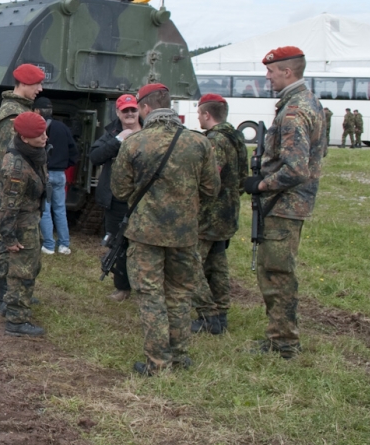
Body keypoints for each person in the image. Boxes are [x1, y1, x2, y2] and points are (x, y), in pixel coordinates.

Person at [111, 83, 218, 376]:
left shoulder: (135, 143)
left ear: (145, 108)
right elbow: (211, 188)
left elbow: (119, 190)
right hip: (184, 233)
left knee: (150, 294)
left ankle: (158, 363)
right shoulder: (198, 143)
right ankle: (179, 355)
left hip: (145, 234)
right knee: (180, 293)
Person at [244, 46, 325, 358]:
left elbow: (296, 169)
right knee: (277, 270)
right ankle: (281, 338)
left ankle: (283, 343)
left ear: (287, 72)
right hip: (289, 203)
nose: (267, 77)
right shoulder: (309, 102)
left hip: (283, 204)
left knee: (276, 273)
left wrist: (261, 183)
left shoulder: (294, 112)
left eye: (271, 71)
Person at [189, 93, 248, 336]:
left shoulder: (215, 141)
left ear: (206, 114)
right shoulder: (236, 138)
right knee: (217, 264)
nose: (198, 118)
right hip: (228, 212)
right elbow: (243, 178)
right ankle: (221, 314)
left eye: (199, 114)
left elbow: (209, 179)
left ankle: (208, 315)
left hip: (209, 215)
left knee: (190, 265)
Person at [0, 112, 51, 337]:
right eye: (39, 135)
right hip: (21, 224)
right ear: (25, 138)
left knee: (28, 266)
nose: (45, 137)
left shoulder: (33, 154)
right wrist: (9, 238)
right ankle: (16, 320)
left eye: (45, 132)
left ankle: (8, 302)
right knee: (23, 271)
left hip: (30, 219)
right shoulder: (16, 167)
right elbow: (8, 207)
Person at [88, 94, 141, 301]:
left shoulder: (149, 132)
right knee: (117, 244)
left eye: (133, 110)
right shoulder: (112, 133)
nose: (130, 114)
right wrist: (119, 140)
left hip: (144, 200)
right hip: (117, 200)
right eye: (125, 111)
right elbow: (95, 156)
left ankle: (145, 288)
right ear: (118, 112)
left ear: (139, 111)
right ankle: (122, 288)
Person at [34, 97, 78, 256]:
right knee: (60, 209)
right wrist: (63, 165)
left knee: (45, 210)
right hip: (60, 174)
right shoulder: (63, 127)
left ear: (37, 111)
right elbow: (74, 152)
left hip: (45, 173)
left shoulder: (38, 128)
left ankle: (48, 245)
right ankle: (64, 245)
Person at [0, 64, 45, 156]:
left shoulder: (21, 107)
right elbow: (10, 153)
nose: (40, 89)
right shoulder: (11, 111)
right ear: (23, 83)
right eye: (37, 83)